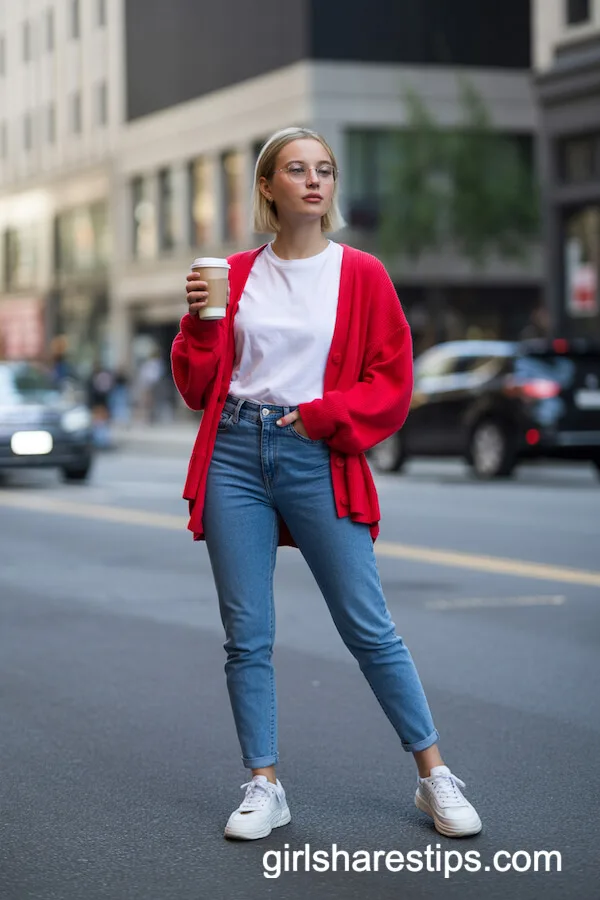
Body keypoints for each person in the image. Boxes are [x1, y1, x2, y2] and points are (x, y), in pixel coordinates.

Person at [171, 127, 482, 841]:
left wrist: (321, 419)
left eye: (326, 170)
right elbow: (196, 384)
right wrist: (197, 322)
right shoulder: (237, 274)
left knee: (368, 626)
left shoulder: (363, 273)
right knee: (247, 633)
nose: (315, 180)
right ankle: (264, 784)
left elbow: (392, 383)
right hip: (234, 455)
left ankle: (435, 775)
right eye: (297, 169)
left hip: (315, 451)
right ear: (269, 187)